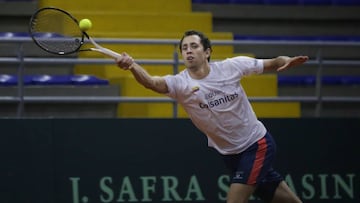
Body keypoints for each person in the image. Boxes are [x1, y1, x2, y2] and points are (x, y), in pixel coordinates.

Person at [116, 30, 308, 203]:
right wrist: (132, 65)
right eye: (184, 48)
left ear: (207, 52)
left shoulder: (232, 67)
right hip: (230, 155)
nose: (188, 51)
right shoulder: (180, 84)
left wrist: (286, 61)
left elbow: (273, 62)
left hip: (256, 145)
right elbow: (151, 83)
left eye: (194, 46)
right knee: (283, 199)